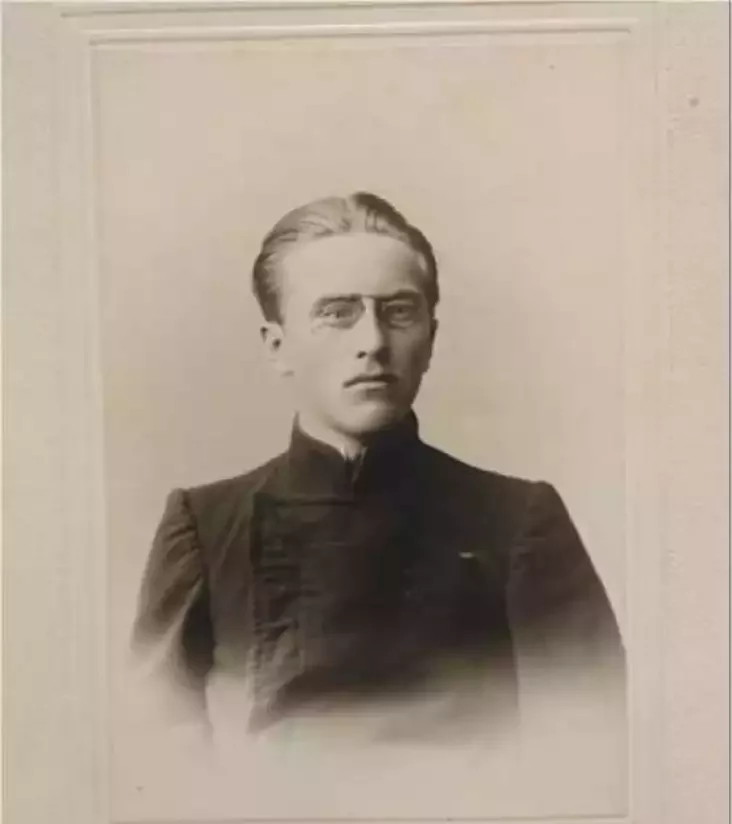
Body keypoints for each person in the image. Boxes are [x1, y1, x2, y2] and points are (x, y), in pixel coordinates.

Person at [132, 191, 626, 748]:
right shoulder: (203, 527)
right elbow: (158, 753)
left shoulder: (518, 523)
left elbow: (587, 747)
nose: (372, 342)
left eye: (399, 312)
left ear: (430, 339)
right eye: (336, 313)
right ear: (277, 346)